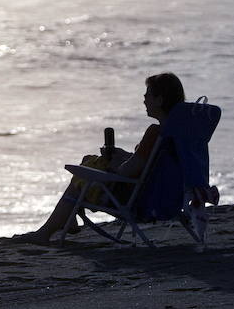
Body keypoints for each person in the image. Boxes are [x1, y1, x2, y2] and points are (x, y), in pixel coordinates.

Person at [18, 72, 186, 245]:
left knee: (81, 176)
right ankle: (69, 217)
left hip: (138, 201)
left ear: (159, 100)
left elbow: (127, 171)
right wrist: (124, 156)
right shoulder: (182, 135)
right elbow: (153, 165)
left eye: (148, 94)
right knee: (89, 160)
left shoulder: (155, 133)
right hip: (170, 199)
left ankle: (46, 232)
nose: (144, 99)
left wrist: (114, 164)